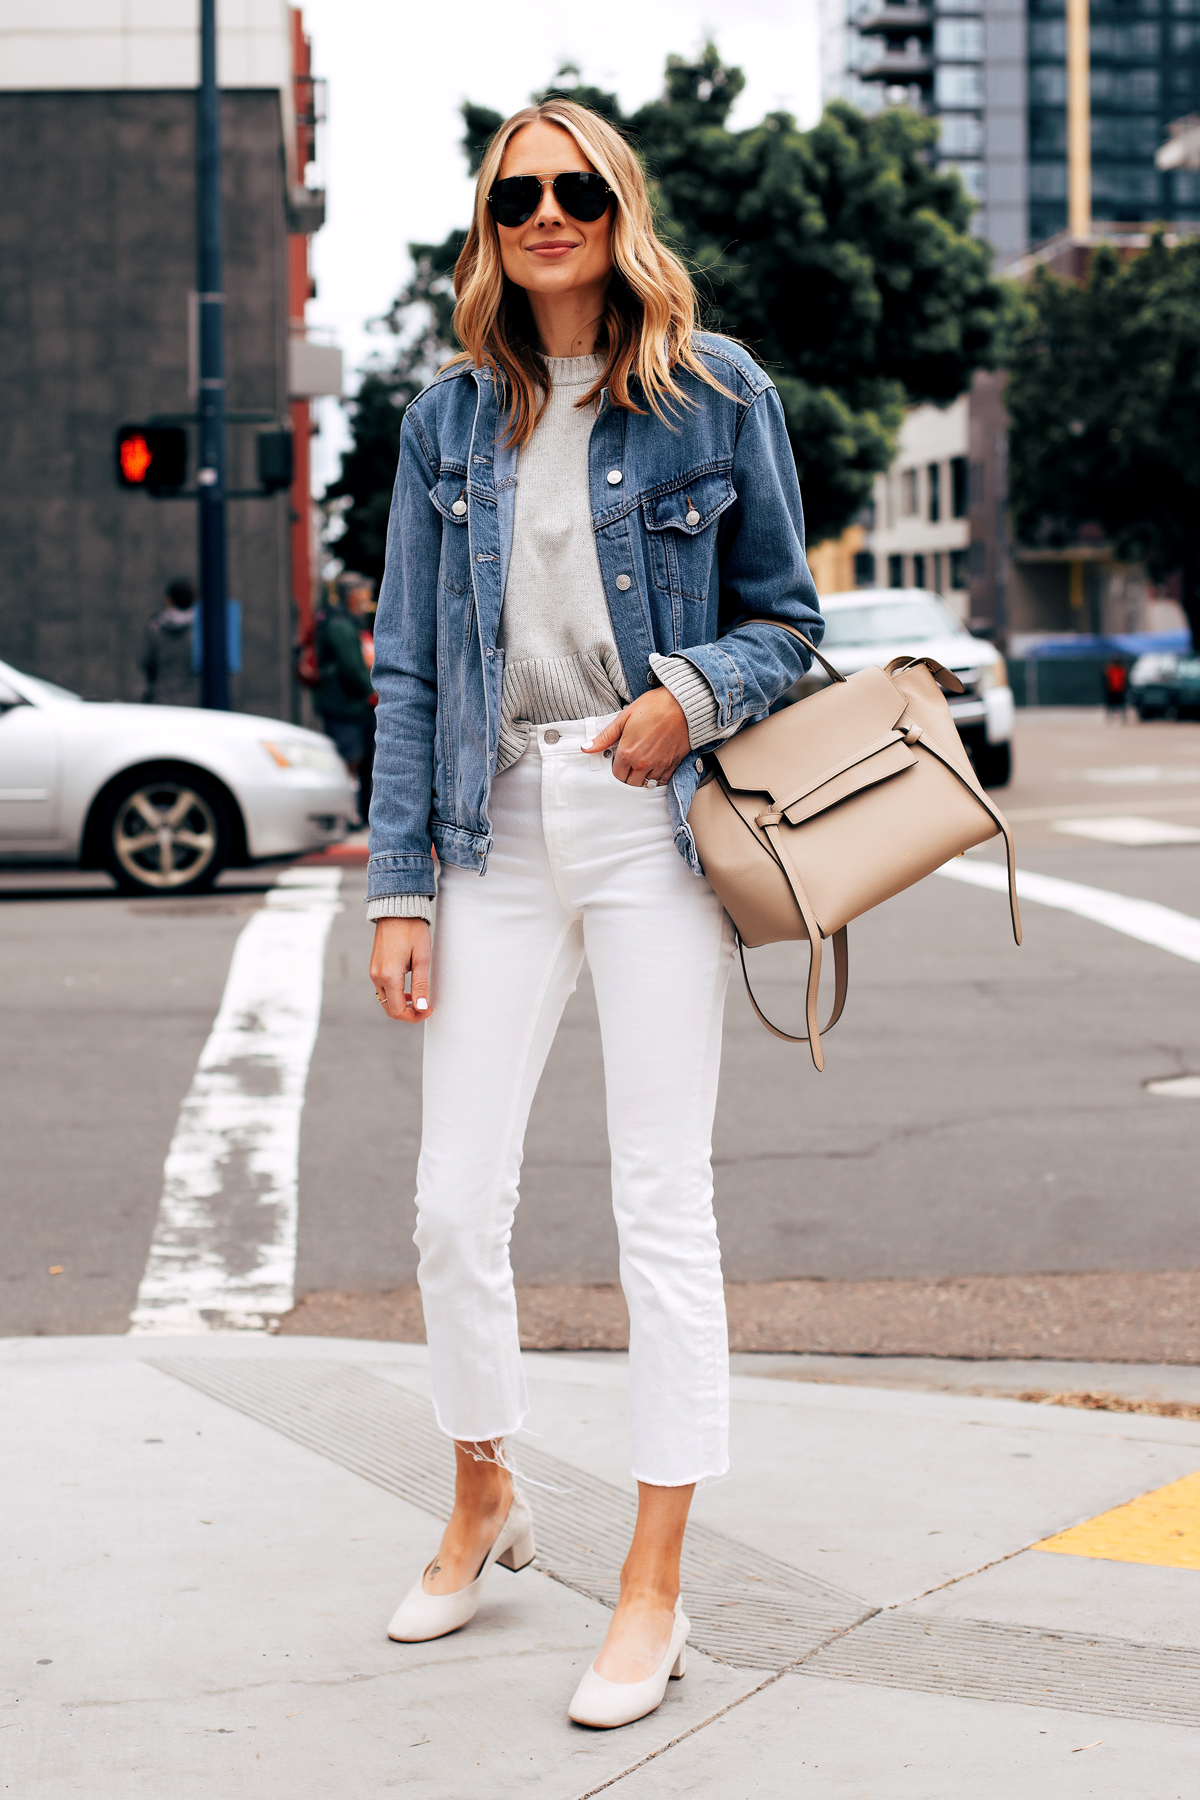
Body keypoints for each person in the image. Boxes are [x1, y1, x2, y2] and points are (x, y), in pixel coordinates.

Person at [366, 99, 823, 1729]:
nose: (544, 214)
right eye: (514, 195)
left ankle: (653, 1580)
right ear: (490, 226)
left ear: (616, 206)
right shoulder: (444, 427)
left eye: (571, 189)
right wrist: (399, 886)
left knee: (658, 1203)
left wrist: (689, 694)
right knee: (448, 1201)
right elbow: (414, 662)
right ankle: (484, 1491)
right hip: (489, 826)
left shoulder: (713, 395)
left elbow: (790, 622)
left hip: (649, 823)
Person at [313, 577, 376, 823]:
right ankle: (346, 812)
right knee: (349, 759)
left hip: (353, 704)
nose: (367, 596)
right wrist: (371, 690)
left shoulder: (348, 621)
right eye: (364, 591)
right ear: (351, 593)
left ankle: (357, 811)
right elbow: (351, 667)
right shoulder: (339, 624)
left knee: (359, 760)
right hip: (345, 705)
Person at [140, 578, 198, 706]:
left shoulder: (154, 628)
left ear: (169, 601)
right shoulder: (202, 631)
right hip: (196, 701)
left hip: (162, 700)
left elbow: (146, 663)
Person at [1102, 656, 1128, 721]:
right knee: (1110, 705)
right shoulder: (1110, 669)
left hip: (1120, 689)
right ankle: (1109, 717)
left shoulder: (1121, 670)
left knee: (1122, 705)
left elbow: (1124, 677)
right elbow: (1105, 674)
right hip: (1111, 690)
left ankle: (1123, 717)